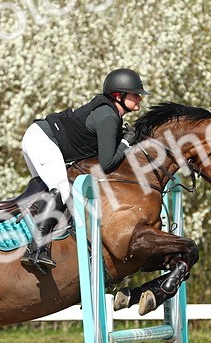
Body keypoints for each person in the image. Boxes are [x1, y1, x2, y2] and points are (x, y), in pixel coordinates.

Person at [19, 68, 150, 271]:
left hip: (38, 136)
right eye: (135, 94)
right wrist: (125, 142)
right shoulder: (108, 116)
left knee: (49, 194)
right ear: (119, 96)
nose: (139, 98)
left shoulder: (109, 112)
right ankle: (36, 249)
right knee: (62, 190)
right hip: (42, 140)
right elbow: (107, 164)